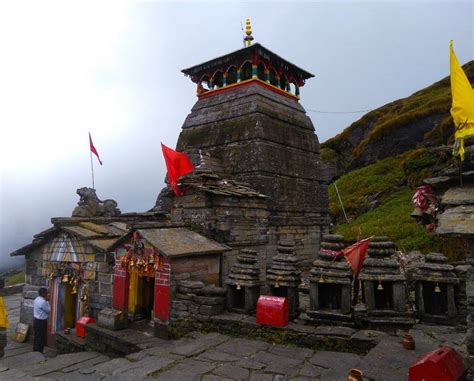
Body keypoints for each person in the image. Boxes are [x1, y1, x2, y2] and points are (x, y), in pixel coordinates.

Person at [33, 288, 50, 353]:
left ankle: (35, 350)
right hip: (41, 322)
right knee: (41, 337)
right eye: (46, 293)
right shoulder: (43, 302)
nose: (47, 294)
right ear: (43, 294)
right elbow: (48, 310)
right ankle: (39, 351)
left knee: (37, 337)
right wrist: (48, 301)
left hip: (36, 320)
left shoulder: (37, 299)